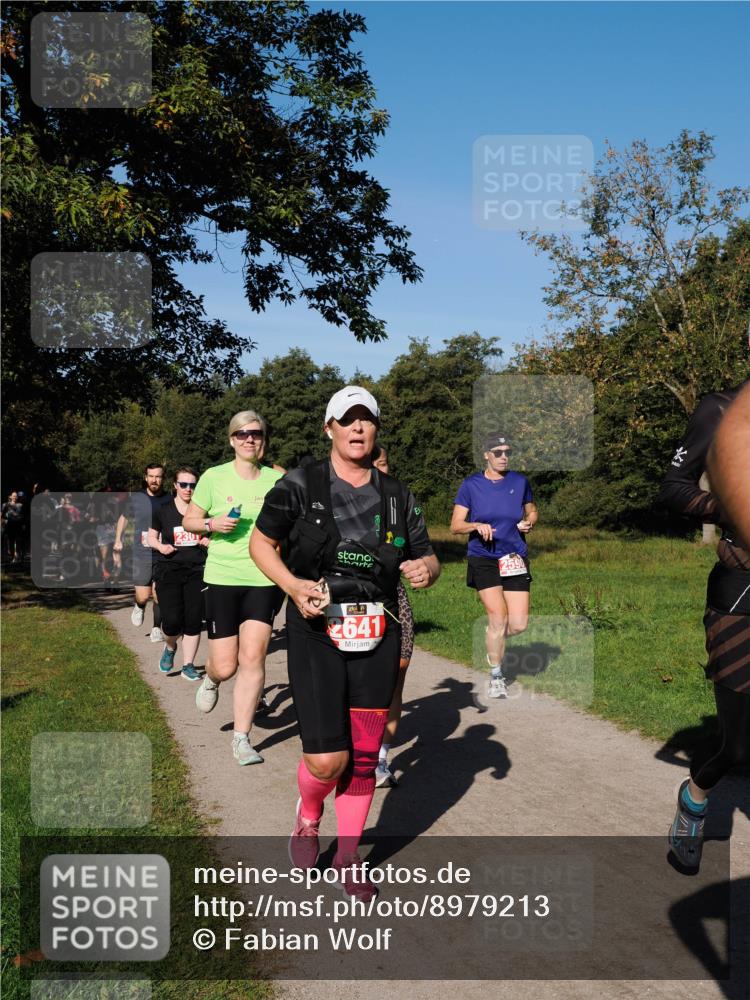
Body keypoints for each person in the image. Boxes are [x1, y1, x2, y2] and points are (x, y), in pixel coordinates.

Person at [250, 386, 440, 900]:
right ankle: (309, 816)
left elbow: (428, 556)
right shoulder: (298, 485)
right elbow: (260, 543)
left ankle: (350, 856)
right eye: (347, 419)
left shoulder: (398, 495)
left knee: (364, 754)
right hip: (316, 632)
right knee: (326, 762)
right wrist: (291, 586)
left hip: (376, 632)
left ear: (376, 429)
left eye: (367, 420)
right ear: (329, 427)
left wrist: (426, 568)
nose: (358, 428)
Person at [658, 382, 750, 871]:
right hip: (740, 596)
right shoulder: (720, 409)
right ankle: (694, 802)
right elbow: (674, 488)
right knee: (737, 747)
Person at [183, 410, 284, 765]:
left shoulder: (277, 480)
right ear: (231, 440)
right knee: (225, 666)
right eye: (241, 434)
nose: (249, 439)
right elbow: (189, 521)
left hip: (263, 579)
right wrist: (211, 523)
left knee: (253, 657)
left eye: (255, 434)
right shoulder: (214, 477)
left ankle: (242, 738)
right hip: (222, 577)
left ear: (264, 439)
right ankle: (211, 679)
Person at [451, 434, 537, 698]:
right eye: (497, 452)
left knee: (519, 624)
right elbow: (455, 526)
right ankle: (496, 674)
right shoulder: (471, 485)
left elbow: (532, 510)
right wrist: (476, 525)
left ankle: (493, 637)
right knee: (498, 617)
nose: (503, 456)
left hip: (513, 557)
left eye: (507, 451)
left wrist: (529, 522)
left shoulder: (519, 482)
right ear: (486, 454)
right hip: (484, 557)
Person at [370, 443, 416, 789]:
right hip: (346, 601)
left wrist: (423, 567)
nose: (377, 470)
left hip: (392, 596)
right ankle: (353, 750)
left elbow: (423, 551)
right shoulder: (334, 499)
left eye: (382, 463)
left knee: (397, 673)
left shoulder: (399, 501)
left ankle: (381, 758)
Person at [149, 467, 209, 682]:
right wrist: (160, 547)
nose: (188, 489)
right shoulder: (163, 511)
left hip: (196, 571)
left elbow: (214, 537)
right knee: (172, 622)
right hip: (169, 569)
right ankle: (170, 645)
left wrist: (207, 541)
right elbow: (151, 538)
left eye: (192, 485)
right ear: (175, 485)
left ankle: (188, 665)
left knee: (193, 620)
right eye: (183, 484)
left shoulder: (204, 512)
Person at [115, 463, 167, 641]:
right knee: (144, 595)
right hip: (141, 552)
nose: (154, 480)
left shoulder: (169, 499)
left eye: (158, 476)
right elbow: (123, 518)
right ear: (146, 477)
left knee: (159, 592)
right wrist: (117, 540)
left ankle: (156, 628)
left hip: (162, 552)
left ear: (163, 478)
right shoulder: (136, 498)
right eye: (151, 476)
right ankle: (139, 606)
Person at [2, 491, 25, 564]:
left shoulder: (20, 505)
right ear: (11, 497)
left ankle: (17, 556)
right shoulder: (6, 505)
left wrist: (23, 524)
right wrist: (4, 522)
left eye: (16, 496)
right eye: (13, 496)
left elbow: (23, 516)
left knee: (18, 541)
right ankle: (12, 557)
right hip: (10, 525)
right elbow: (2, 516)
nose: (15, 497)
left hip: (18, 525)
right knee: (11, 542)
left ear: (17, 497)